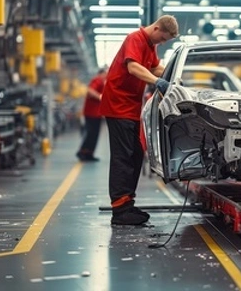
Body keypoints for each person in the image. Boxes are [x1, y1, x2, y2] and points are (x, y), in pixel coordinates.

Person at [99, 15, 178, 225]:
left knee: (134, 154)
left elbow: (154, 68)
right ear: (157, 28)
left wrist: (175, 76)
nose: (162, 43)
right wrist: (158, 82)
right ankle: (120, 210)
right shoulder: (135, 38)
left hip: (131, 107)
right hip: (118, 105)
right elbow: (133, 67)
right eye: (163, 38)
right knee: (123, 156)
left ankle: (127, 204)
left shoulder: (150, 45)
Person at [76, 68, 107, 162]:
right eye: (106, 73)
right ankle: (82, 152)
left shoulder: (101, 82)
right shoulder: (97, 80)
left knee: (94, 134)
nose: (107, 75)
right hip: (91, 113)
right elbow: (90, 90)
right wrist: (100, 97)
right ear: (101, 73)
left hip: (95, 114)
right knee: (91, 133)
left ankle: (89, 153)